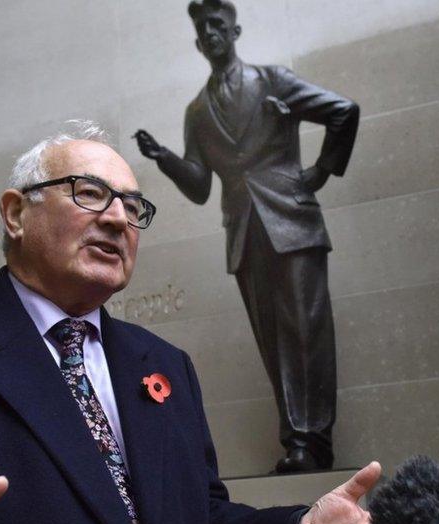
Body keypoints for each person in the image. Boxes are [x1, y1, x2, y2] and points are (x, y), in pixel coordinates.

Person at [0, 121, 380, 524]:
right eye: (91, 193)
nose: (119, 218)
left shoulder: (165, 365)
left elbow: (200, 520)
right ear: (16, 214)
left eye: (132, 206)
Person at [135, 0, 358, 473]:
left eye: (218, 23)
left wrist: (319, 171)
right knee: (274, 340)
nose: (212, 33)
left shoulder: (273, 80)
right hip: (244, 234)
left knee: (305, 334)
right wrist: (164, 159)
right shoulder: (197, 111)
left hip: (292, 223)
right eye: (204, 29)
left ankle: (311, 441)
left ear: (235, 30)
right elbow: (198, 187)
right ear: (198, 43)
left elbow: (343, 111)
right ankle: (297, 441)